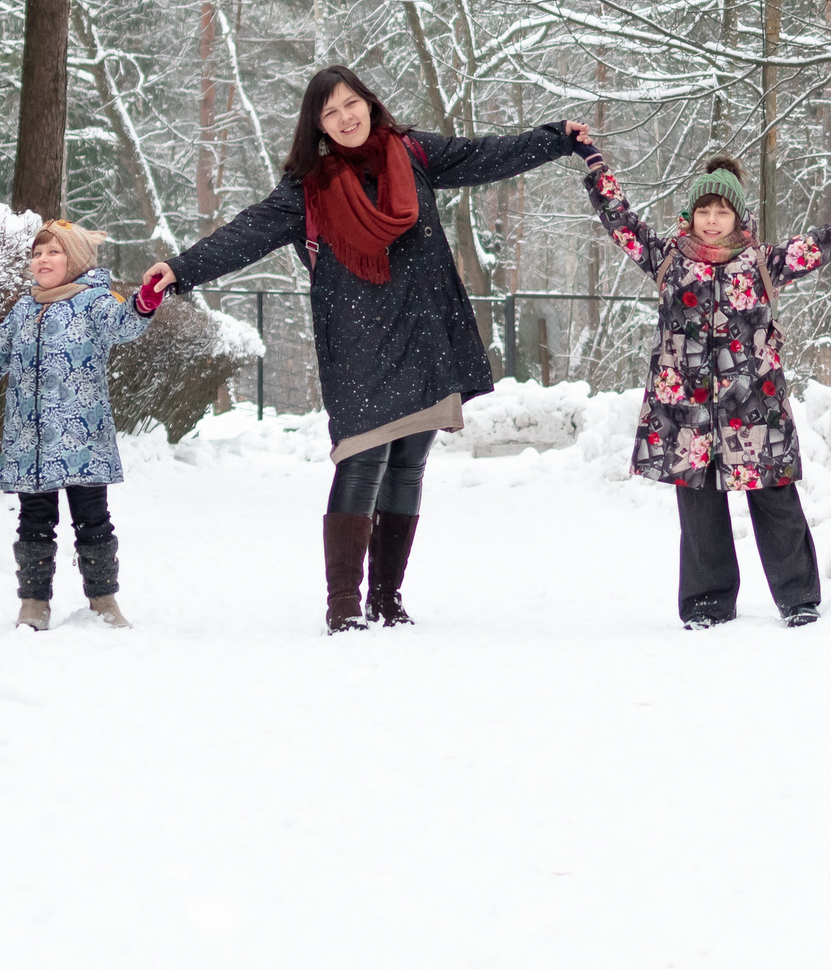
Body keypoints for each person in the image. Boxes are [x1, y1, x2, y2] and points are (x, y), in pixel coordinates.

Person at [143, 66, 584, 632]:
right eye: (331, 112)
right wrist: (179, 270)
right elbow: (245, 233)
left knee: (408, 466)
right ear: (318, 126)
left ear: (369, 104)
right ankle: (344, 606)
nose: (346, 117)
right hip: (359, 343)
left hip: (425, 333)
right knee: (363, 459)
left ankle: (387, 598)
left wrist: (557, 138)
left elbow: (485, 154)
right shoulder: (308, 188)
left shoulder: (413, 154)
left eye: (352, 103)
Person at [577, 141, 831, 628]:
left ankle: (798, 596)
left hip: (753, 402)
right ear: (691, 214)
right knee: (698, 502)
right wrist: (595, 167)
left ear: (738, 217)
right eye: (704, 210)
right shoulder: (666, 260)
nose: (712, 220)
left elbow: (822, 244)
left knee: (775, 496)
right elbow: (619, 221)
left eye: (722, 211)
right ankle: (706, 602)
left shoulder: (762, 262)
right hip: (686, 406)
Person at [0, 220, 154, 631]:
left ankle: (104, 600)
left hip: (82, 438)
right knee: (34, 522)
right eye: (36, 253)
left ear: (76, 260)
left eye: (53, 251)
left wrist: (143, 302)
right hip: (30, 442)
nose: (42, 259)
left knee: (93, 520)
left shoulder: (94, 302)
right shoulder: (24, 309)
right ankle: (34, 603)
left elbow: (123, 323)